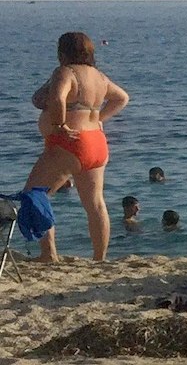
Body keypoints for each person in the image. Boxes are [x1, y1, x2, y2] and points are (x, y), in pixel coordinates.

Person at [22, 32, 131, 261]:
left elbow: (59, 98)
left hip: (69, 144)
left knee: (35, 195)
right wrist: (99, 117)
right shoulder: (99, 77)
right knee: (95, 203)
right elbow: (122, 98)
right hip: (96, 142)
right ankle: (100, 258)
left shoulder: (65, 72)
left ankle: (48, 254)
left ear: (63, 52)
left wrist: (60, 124)